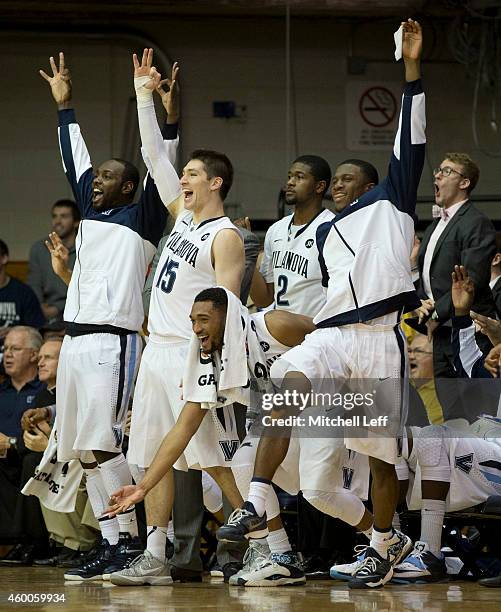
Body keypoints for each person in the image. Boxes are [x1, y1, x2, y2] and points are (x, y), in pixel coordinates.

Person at [218, 19, 425, 590]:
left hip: (379, 339)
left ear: (371, 183)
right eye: (333, 181)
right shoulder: (325, 231)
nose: (336, 185)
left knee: (380, 458)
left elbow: (412, 140)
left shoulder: (392, 204)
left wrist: (410, 72)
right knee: (287, 380)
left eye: (347, 178)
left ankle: (384, 544)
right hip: (332, 333)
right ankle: (257, 496)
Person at [39, 50, 181, 581]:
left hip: (113, 342)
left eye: (108, 176)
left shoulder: (143, 218)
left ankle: (136, 542)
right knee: (81, 448)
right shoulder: (92, 213)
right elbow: (73, 158)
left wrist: (168, 115)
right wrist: (65, 107)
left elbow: (161, 161)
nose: (96, 181)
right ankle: (112, 541)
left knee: (103, 442)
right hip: (73, 341)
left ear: (128, 187)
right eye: (96, 176)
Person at [119, 50, 244, 586]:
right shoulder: (182, 217)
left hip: (192, 355)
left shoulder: (224, 235)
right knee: (151, 458)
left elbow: (228, 307)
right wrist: (144, 95)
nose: (182, 181)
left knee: (210, 459)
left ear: (215, 183)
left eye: (192, 174)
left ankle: (266, 541)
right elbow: (152, 155)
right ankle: (155, 555)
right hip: (157, 350)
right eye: (184, 174)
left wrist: (211, 363)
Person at [416, 152, 496, 421]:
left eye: (447, 171)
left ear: (464, 182)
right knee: (452, 415)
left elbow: (470, 280)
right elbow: (429, 280)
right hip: (441, 334)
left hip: (470, 330)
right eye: (438, 170)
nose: (437, 175)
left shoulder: (476, 222)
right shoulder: (433, 227)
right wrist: (422, 305)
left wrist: (434, 312)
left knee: (478, 413)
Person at [393, 424, 501, 583]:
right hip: (484, 435)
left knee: (432, 437)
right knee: (394, 439)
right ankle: (388, 550)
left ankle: (430, 552)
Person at [0, 326, 44, 562]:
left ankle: (30, 541)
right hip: (3, 460)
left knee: (32, 461)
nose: (7, 354)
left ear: (34, 355)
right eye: (5, 348)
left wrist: (12, 442)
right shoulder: (1, 391)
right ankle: (12, 540)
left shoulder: (44, 390)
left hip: (29, 454)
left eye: (15, 349)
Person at [27, 199, 80, 323]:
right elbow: (34, 284)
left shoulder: (85, 248)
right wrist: (39, 306)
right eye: (54, 216)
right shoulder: (39, 248)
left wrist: (58, 308)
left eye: (64, 216)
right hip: (45, 313)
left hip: (77, 310)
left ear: (76, 222)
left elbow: (84, 288)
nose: (57, 221)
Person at [0, 240, 45, 354]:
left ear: (4, 258)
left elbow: (38, 329)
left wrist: (15, 332)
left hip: (17, 354)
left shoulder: (23, 292)